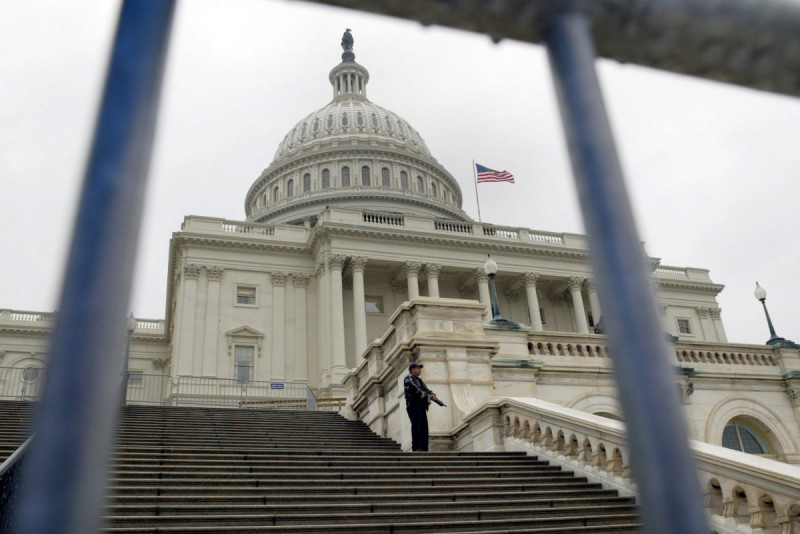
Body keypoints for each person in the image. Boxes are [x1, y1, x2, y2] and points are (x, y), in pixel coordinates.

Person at [404, 362, 438, 451]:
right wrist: (420, 392)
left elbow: (426, 389)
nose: (420, 370)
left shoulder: (419, 380)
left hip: (421, 406)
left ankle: (424, 447)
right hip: (414, 406)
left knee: (423, 427)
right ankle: (417, 447)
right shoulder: (409, 377)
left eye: (420, 368)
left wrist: (432, 394)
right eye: (418, 368)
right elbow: (411, 384)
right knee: (417, 426)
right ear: (412, 370)